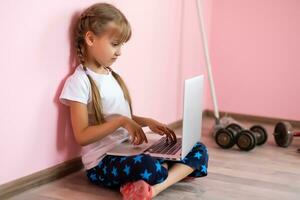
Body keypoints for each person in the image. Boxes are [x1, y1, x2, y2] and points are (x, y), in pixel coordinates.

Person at [59, 3, 209, 200]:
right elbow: (82, 136)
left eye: (122, 45)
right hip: (102, 163)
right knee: (147, 166)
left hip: (127, 150)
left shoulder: (111, 75)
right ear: (90, 38)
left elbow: (121, 118)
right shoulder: (79, 82)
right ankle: (168, 175)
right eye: (115, 44)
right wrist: (121, 121)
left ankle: (153, 187)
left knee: (197, 148)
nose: (120, 51)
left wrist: (146, 122)